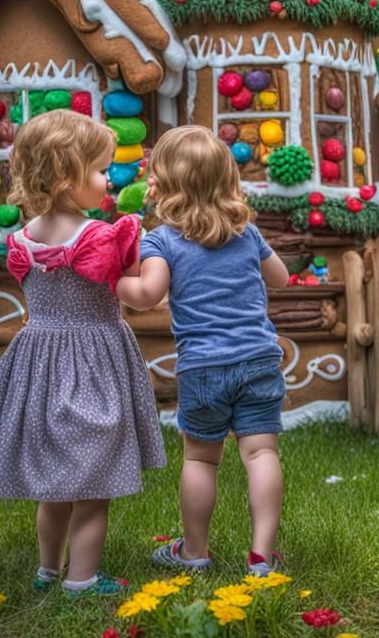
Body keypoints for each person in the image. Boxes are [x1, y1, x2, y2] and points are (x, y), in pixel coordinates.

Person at [0, 108, 166, 597]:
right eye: (102, 170)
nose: (109, 179)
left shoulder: (21, 239)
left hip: (37, 361)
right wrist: (149, 257)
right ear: (66, 177)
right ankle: (82, 579)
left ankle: (48, 571)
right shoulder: (99, 238)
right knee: (92, 485)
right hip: (91, 360)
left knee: (54, 486)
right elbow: (135, 294)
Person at [117, 125, 289, 576]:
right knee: (261, 454)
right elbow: (282, 279)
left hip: (204, 368)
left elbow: (148, 294)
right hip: (258, 358)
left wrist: (112, 278)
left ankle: (194, 551)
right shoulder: (246, 234)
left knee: (200, 458)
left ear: (166, 185)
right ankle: (261, 555)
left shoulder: (162, 241)